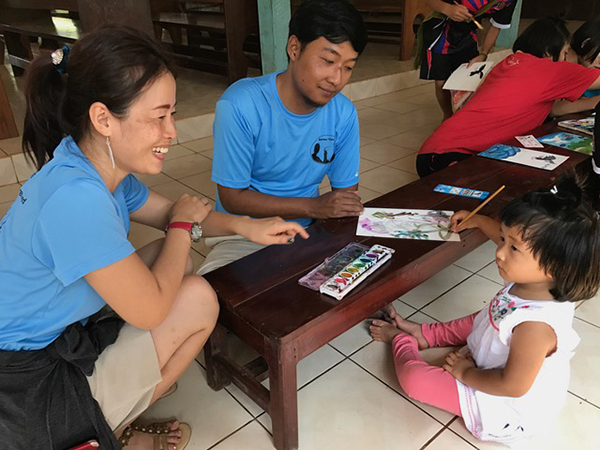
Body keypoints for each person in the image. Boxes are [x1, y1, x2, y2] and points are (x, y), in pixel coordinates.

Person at [0, 26, 307, 450]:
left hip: (53, 332)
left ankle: (115, 410)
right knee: (199, 298)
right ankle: (106, 431)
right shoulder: (76, 201)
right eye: (158, 117)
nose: (172, 132)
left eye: (173, 114)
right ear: (103, 118)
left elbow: (169, 214)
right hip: (24, 389)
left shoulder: (90, 163)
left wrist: (245, 226)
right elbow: (150, 306)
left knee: (177, 260)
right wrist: (182, 226)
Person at [370, 174, 600, 444]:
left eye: (513, 247)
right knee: (487, 316)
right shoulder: (538, 278)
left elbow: (512, 386)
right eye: (504, 239)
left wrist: (466, 373)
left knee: (415, 380)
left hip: (502, 404)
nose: (500, 252)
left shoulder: (535, 327)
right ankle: (425, 334)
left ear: (555, 266)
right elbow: (504, 237)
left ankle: (402, 340)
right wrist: (478, 221)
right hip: (495, 355)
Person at [200, 0, 368, 275]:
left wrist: (330, 215)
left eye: (348, 67)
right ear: (294, 48)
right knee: (215, 302)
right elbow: (231, 197)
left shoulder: (344, 113)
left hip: (310, 231)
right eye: (327, 61)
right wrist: (315, 206)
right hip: (243, 234)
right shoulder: (241, 104)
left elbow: (345, 194)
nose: (336, 79)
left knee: (355, 301)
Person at [417, 17, 600, 177]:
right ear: (548, 52)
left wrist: (594, 101)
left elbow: (553, 108)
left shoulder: (512, 63)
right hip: (449, 155)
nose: (567, 58)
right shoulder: (549, 70)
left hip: (438, 149)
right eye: (566, 52)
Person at [418, 0, 519, 120]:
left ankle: (461, 118)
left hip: (468, 35)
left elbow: (496, 26)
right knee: (441, 82)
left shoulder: (508, 1)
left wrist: (483, 53)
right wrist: (447, 9)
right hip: (440, 32)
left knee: (466, 79)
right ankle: (447, 117)